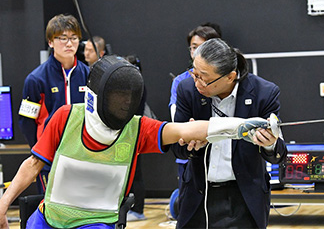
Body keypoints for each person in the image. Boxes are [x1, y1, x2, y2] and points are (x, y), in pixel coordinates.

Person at [0, 55, 215, 229]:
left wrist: (238, 126)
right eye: (117, 95)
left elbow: (184, 130)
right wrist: (3, 204)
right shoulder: (66, 117)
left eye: (129, 96)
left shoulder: (137, 128)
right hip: (48, 219)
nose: (125, 102)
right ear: (98, 95)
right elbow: (33, 164)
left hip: (96, 223)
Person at [172, 38, 288, 229]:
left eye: (204, 78)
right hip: (198, 194)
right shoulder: (187, 89)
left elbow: (279, 154)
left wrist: (269, 143)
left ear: (230, 76)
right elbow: (177, 149)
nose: (197, 82)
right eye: (194, 72)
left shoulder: (263, 93)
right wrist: (189, 143)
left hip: (244, 197)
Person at [18, 14, 90, 194]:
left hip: (83, 155)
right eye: (62, 38)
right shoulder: (35, 79)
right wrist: (40, 152)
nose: (69, 44)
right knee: (51, 210)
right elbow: (26, 121)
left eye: (74, 38)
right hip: (49, 160)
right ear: (51, 42)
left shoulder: (89, 75)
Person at [169, 25, 221, 192]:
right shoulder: (181, 82)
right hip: (190, 153)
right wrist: (189, 130)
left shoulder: (223, 78)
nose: (195, 52)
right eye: (193, 47)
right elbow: (176, 117)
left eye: (200, 47)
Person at [123, 54, 147, 221]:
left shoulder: (137, 87)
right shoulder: (133, 86)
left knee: (135, 173)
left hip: (133, 133)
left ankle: (138, 210)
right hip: (128, 132)